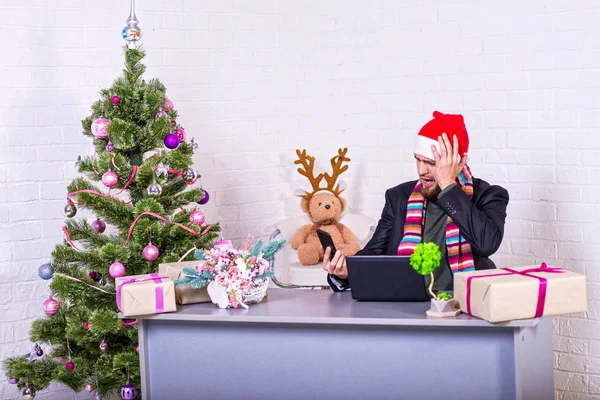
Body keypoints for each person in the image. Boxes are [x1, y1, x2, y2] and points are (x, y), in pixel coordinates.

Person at [323, 111, 509, 292]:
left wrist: (448, 186)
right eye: (418, 160)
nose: (421, 170)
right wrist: (345, 272)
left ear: (458, 163)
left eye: (431, 162)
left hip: (466, 305)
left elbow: (487, 243)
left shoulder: (488, 195)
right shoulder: (398, 197)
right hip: (407, 304)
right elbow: (373, 254)